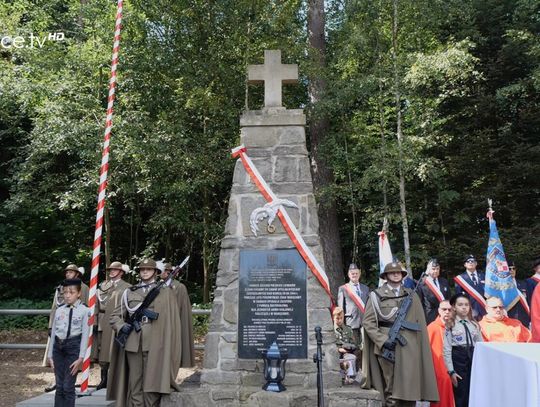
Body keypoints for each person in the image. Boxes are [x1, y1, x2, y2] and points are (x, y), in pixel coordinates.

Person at [362, 261, 439, 407]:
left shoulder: (411, 294)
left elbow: (420, 323)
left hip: (409, 347)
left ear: (403, 275)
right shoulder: (376, 296)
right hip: (387, 346)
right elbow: (368, 323)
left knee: (410, 388)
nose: (396, 274)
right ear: (386, 276)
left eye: (399, 272)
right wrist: (383, 340)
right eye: (392, 272)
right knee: (391, 389)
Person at [107, 258, 181, 407]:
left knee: (152, 382)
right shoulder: (129, 292)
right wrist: (122, 326)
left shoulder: (165, 292)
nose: (145, 271)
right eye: (142, 269)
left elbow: (172, 320)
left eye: (148, 269)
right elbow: (114, 316)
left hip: (155, 342)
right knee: (135, 382)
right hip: (133, 342)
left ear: (155, 272)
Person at [43, 264, 90, 392]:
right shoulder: (60, 288)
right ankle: (57, 381)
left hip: (74, 332)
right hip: (59, 328)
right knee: (58, 372)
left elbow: (85, 305)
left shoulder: (83, 288)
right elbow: (55, 306)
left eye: (70, 272)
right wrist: (50, 325)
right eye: (67, 272)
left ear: (77, 273)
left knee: (68, 383)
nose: (67, 274)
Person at [95, 261, 131, 390]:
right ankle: (104, 379)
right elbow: (96, 304)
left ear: (121, 272)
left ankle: (116, 380)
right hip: (103, 320)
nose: (111, 271)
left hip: (118, 321)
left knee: (116, 350)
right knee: (102, 350)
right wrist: (94, 321)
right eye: (110, 269)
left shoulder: (127, 287)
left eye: (115, 270)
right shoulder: (103, 285)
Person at [443, 294, 482, 407]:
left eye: (466, 305)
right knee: (460, 393)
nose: (464, 307)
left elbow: (481, 346)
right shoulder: (450, 324)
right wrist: (451, 371)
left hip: (473, 357)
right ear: (454, 307)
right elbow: (446, 349)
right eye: (460, 305)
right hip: (458, 358)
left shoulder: (474, 324)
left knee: (473, 390)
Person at [160, 262, 195, 367]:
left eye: (161, 271)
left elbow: (182, 309)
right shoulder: (158, 286)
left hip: (174, 324)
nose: (158, 273)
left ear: (167, 272)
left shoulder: (179, 287)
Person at [427, 300, 455, 407]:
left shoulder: (455, 326)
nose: (447, 312)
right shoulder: (432, 328)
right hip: (439, 369)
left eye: (449, 310)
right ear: (439, 311)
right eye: (444, 309)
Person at [337, 263, 370, 349]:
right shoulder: (343, 288)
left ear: (359, 274)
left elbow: (369, 305)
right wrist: (341, 324)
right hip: (350, 322)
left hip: (365, 323)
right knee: (352, 348)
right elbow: (340, 308)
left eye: (356, 273)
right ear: (349, 275)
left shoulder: (365, 288)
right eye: (352, 273)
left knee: (365, 349)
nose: (354, 275)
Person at [454, 255, 486, 321]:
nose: (471, 262)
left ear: (476, 263)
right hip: (470, 310)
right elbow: (459, 297)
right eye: (468, 261)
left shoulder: (484, 276)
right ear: (465, 264)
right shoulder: (460, 279)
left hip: (484, 308)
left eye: (473, 261)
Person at [419, 259, 451, 324]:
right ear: (428, 270)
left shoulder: (444, 281)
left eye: (437, 269)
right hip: (430, 316)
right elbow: (420, 302)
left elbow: (449, 298)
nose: (436, 271)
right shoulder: (422, 283)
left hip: (445, 315)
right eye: (433, 269)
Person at [333, 306, 359, 384]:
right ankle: (341, 378)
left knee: (351, 358)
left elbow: (354, 344)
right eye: (337, 318)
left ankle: (349, 378)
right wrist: (338, 349)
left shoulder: (348, 329)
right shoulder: (330, 330)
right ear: (334, 318)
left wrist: (349, 347)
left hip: (347, 353)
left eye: (341, 318)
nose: (340, 320)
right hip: (335, 353)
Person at [506, 261, 531, 327]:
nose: (512, 270)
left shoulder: (523, 284)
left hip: (524, 318)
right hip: (509, 318)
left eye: (514, 268)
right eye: (509, 269)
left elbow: (528, 301)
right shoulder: (502, 286)